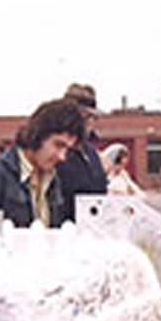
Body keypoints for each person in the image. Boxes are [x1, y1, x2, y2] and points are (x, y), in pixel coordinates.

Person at [0, 98, 86, 227]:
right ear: (38, 134)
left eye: (68, 150)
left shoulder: (56, 180)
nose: (62, 156)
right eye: (58, 145)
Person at [53, 83, 109, 222]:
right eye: (87, 117)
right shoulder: (55, 153)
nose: (91, 123)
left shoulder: (90, 152)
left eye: (94, 118)